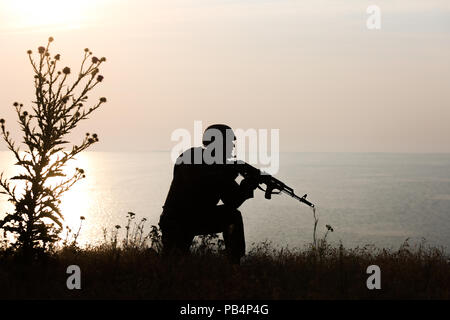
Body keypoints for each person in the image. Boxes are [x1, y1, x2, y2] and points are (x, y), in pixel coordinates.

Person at [158, 124, 258, 264]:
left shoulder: (191, 156)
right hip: (181, 221)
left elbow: (226, 194)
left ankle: (234, 264)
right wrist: (247, 185)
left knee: (173, 262)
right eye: (229, 143)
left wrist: (238, 179)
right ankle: (235, 264)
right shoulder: (205, 163)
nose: (232, 147)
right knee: (173, 263)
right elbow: (232, 201)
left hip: (185, 218)